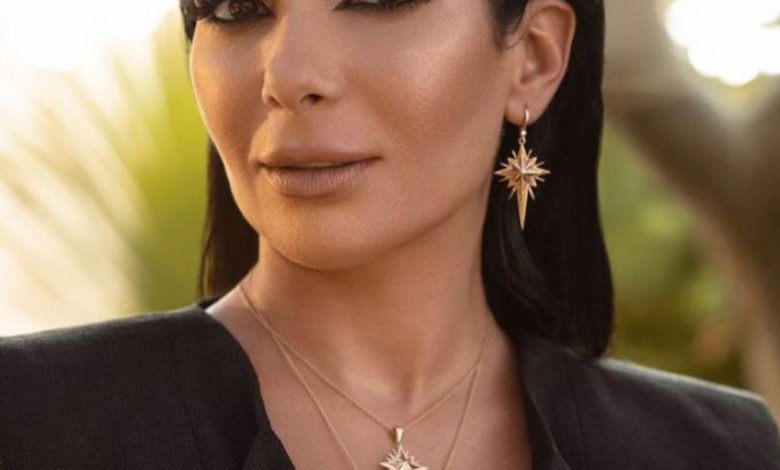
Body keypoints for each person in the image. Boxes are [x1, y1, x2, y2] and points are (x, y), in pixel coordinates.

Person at [1, 0, 778, 468]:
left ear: (534, 60)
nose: (288, 75)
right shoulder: (33, 420)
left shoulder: (717, 450)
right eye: (236, 8)